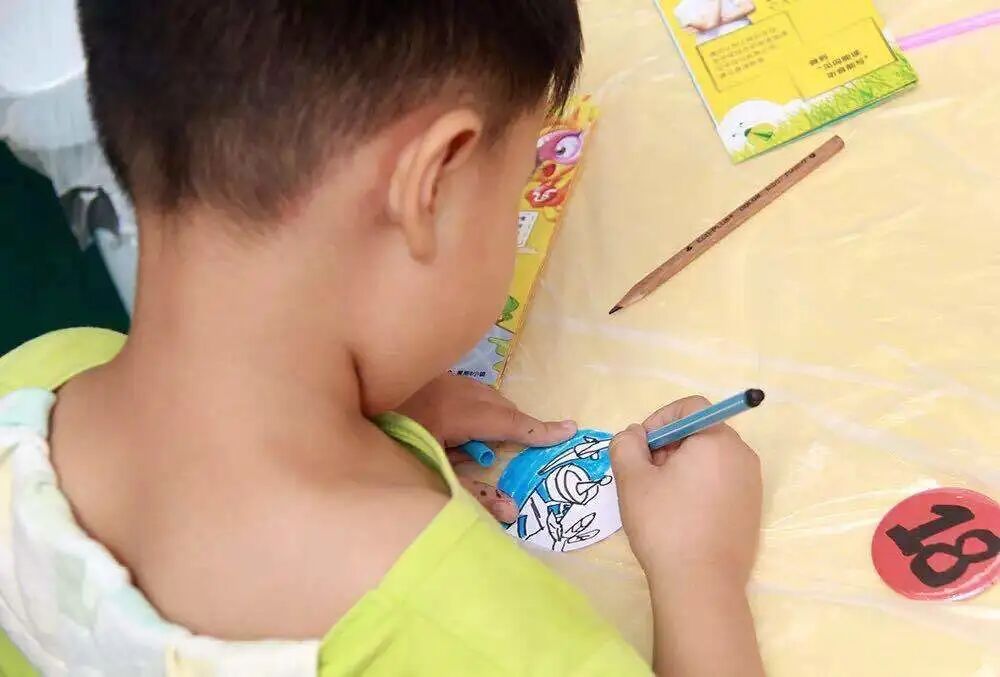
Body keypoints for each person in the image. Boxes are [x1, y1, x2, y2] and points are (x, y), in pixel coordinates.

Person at [0, 1, 765, 674]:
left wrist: (366, 424)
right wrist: (699, 572)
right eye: (514, 190)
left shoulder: (35, 381)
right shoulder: (475, 628)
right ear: (430, 184)